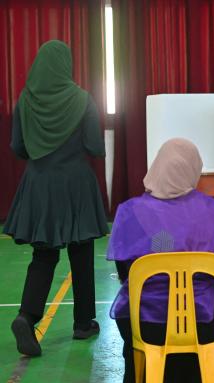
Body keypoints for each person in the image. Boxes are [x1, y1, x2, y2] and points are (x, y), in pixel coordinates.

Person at [107, 138, 214, 383]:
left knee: (139, 328)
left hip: (146, 325)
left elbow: (125, 273)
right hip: (202, 324)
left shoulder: (130, 212)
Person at [4, 40, 108, 357]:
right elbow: (94, 146)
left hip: (39, 185)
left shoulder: (26, 99)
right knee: (82, 255)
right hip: (76, 183)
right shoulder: (83, 99)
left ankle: (27, 316)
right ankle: (83, 322)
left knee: (44, 256)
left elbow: (18, 146)